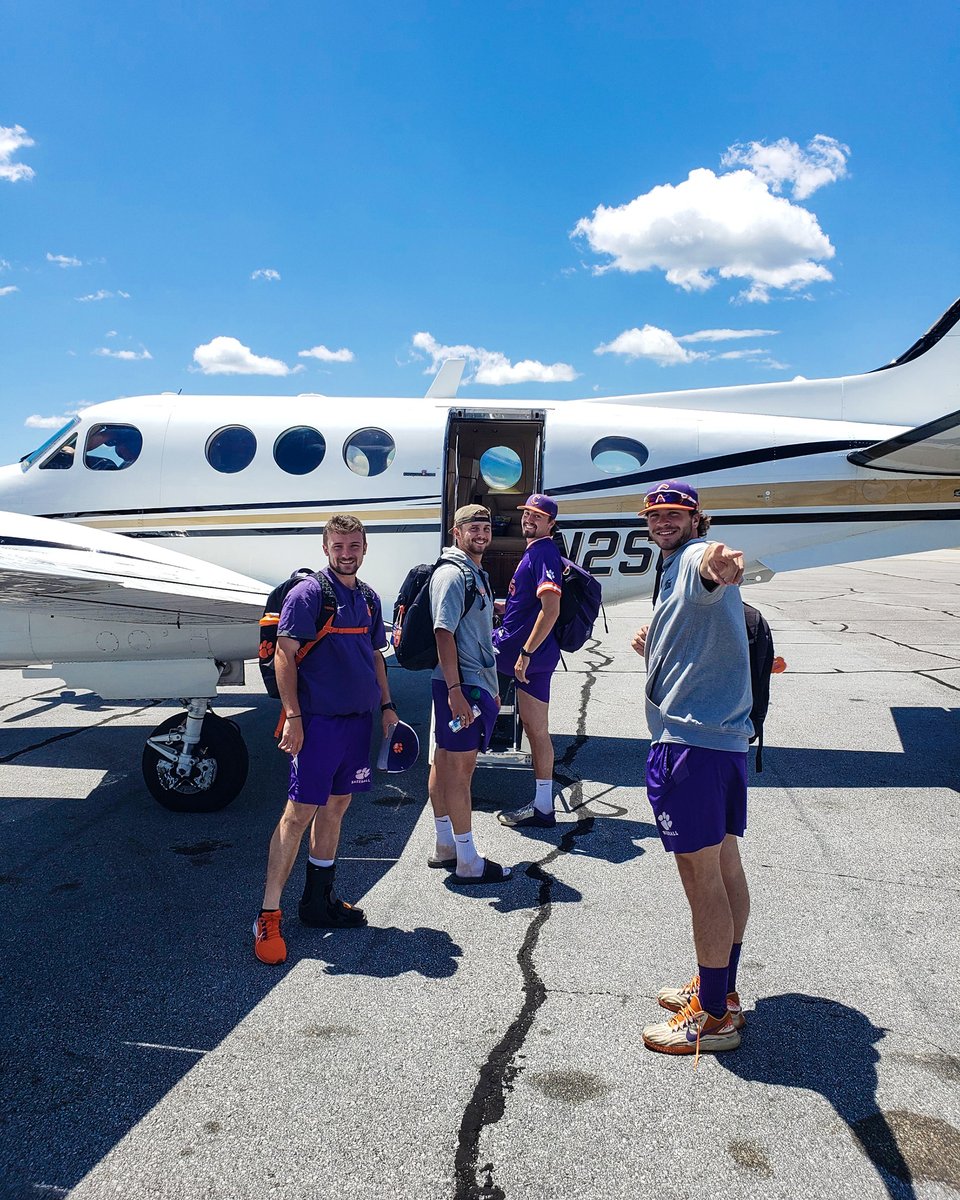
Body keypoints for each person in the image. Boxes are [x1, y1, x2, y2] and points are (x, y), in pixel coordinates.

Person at [631, 480, 752, 1056]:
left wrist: (719, 560)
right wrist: (655, 644)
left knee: (701, 879)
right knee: (725, 867)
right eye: (656, 514)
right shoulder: (673, 570)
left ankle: (710, 1018)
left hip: (690, 746)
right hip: (722, 742)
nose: (664, 521)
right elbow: (697, 619)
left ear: (695, 519)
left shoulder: (690, 561)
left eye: (675, 514)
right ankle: (718, 990)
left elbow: (712, 566)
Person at [253, 514, 398, 965]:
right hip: (317, 723)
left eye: (353, 545)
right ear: (326, 548)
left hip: (358, 722)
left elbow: (374, 655)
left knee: (336, 808)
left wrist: (388, 707)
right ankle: (268, 914)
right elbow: (284, 654)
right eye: (338, 546)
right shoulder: (309, 594)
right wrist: (293, 716)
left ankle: (318, 901)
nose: (347, 553)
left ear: (365, 546)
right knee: (298, 814)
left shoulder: (370, 598)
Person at [428, 504, 513, 885]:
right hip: (463, 685)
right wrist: (456, 692)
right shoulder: (452, 574)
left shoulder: (471, 571)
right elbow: (442, 632)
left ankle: (445, 846)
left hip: (466, 683)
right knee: (460, 772)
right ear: (456, 533)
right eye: (472, 527)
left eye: (485, 527)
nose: (481, 533)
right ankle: (467, 861)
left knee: (445, 763)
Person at [493, 493, 564, 829]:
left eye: (538, 516)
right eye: (527, 514)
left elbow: (551, 610)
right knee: (536, 731)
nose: (529, 520)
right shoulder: (534, 552)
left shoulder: (545, 552)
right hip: (526, 655)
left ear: (551, 523)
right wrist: (506, 608)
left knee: (453, 680)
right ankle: (543, 805)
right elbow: (531, 605)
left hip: (522, 657)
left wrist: (525, 653)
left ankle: (454, 764)